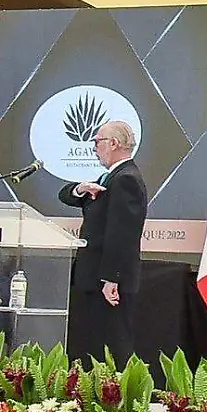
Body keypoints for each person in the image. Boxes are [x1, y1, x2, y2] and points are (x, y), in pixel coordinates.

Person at [58, 119, 147, 364]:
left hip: (107, 281)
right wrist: (81, 189)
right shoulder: (110, 177)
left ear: (114, 143)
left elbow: (123, 234)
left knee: (112, 347)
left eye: (97, 142)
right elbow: (66, 195)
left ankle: (116, 398)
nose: (95, 148)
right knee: (93, 345)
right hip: (95, 277)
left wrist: (112, 278)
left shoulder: (125, 179)